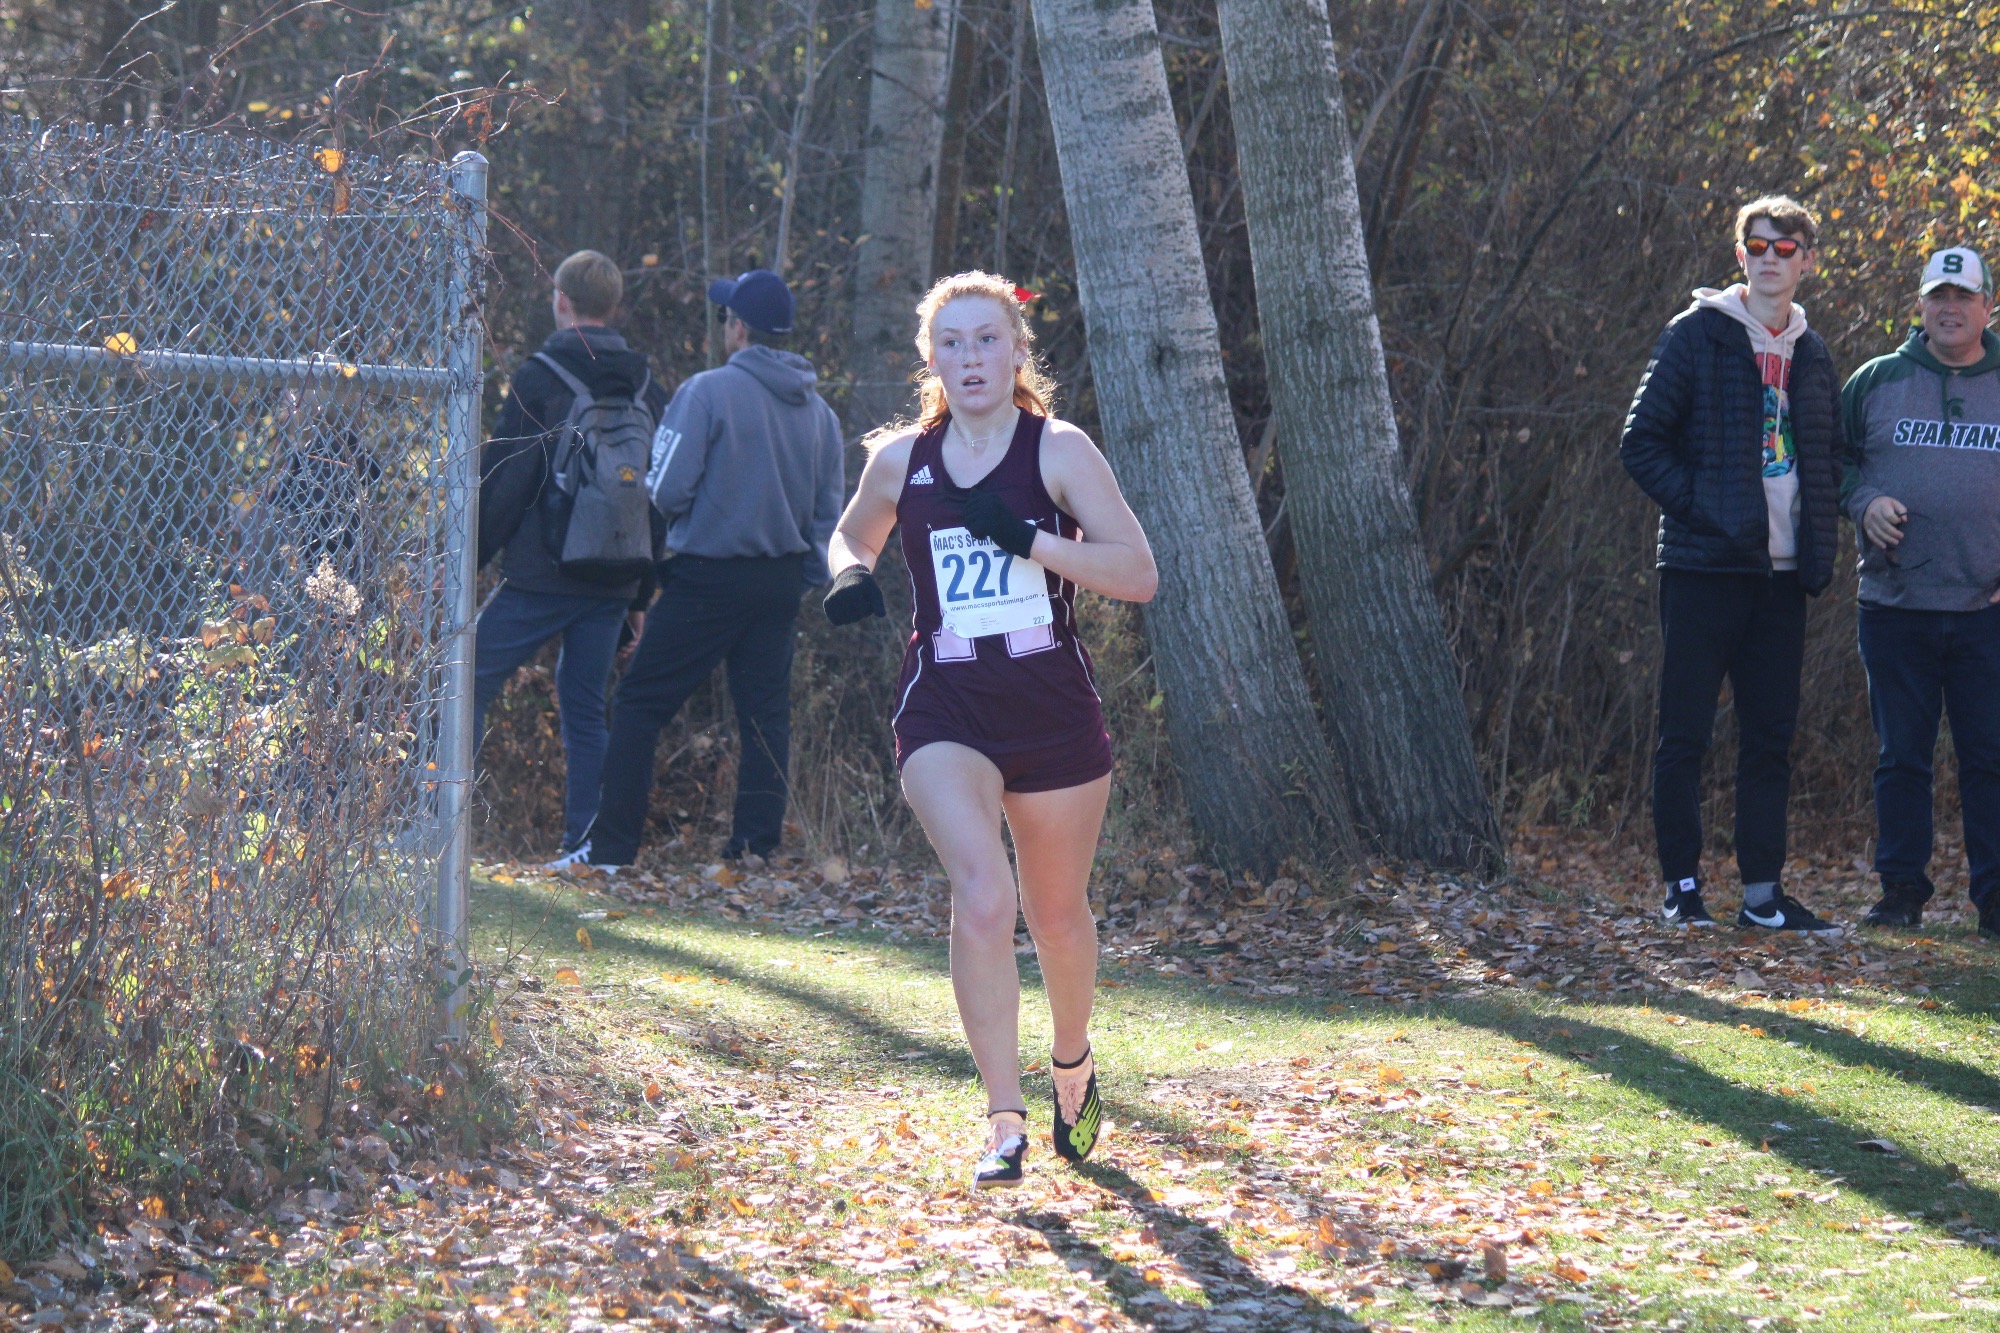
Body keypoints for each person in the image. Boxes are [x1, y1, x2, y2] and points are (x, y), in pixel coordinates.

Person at [821, 270, 1157, 1188]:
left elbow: (1138, 572)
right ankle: (1002, 1120)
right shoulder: (902, 459)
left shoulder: (1059, 450)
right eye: (952, 343)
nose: (970, 358)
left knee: (1055, 914)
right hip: (947, 705)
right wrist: (849, 574)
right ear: (930, 359)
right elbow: (851, 535)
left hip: (1051, 707)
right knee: (983, 894)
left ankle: (1073, 1064)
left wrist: (1033, 542)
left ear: (1016, 354)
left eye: (987, 340)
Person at [1620, 196, 1844, 935]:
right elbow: (1641, 441)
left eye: (1787, 247)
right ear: (1740, 254)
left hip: (1781, 580)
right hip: (1703, 570)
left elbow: (1824, 460)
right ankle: (1682, 888)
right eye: (1758, 244)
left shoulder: (1813, 353)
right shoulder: (1698, 335)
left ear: (1808, 260)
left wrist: (1817, 549)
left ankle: (1762, 897)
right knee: (1684, 734)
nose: (1771, 257)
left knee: (1769, 740)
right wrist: (1708, 510)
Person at [571, 269, 845, 868]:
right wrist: (798, 578)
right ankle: (755, 850)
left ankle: (612, 849)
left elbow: (664, 488)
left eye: (727, 316)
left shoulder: (706, 392)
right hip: (778, 581)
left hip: (707, 576)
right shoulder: (819, 412)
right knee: (766, 718)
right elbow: (829, 515)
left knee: (640, 705)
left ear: (738, 327)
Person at [475, 250, 668, 863]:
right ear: (613, 307)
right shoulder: (647, 384)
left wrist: (465, 563)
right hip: (614, 573)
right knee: (586, 706)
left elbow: (507, 478)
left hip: (541, 571)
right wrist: (642, 591)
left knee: (466, 683)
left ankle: (440, 824)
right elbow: (655, 493)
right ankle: (584, 839)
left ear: (561, 301)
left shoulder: (541, 376)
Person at [1841, 246, 2000, 939]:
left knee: (1990, 758)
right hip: (1895, 606)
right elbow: (1833, 463)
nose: (1950, 308)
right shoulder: (1875, 382)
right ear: (1920, 304)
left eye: (1964, 297)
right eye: (1939, 295)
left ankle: (1994, 900)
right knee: (1900, 756)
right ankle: (1901, 892)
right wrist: (1864, 499)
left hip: (1986, 611)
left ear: (1988, 306)